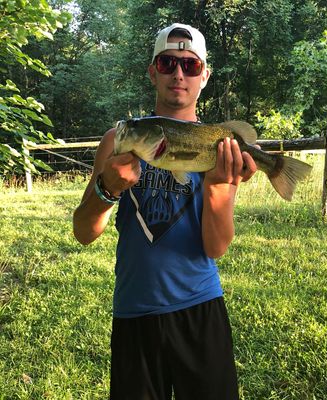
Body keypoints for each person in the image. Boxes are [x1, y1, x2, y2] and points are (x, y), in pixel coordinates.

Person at [73, 23, 258, 400]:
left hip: (200, 306)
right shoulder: (118, 139)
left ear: (204, 75)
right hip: (133, 311)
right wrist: (106, 189)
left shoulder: (220, 146)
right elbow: (83, 231)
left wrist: (221, 185)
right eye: (168, 62)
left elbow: (215, 247)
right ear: (153, 70)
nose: (178, 73)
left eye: (190, 66)